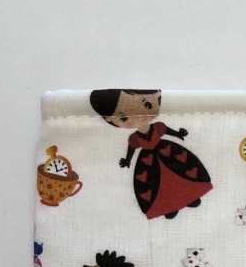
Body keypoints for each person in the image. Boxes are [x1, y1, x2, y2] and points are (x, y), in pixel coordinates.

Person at [89, 88, 213, 219]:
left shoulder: (157, 127)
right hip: (149, 161)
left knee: (180, 173)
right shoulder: (135, 138)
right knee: (157, 183)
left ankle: (190, 197)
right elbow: (131, 148)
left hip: (168, 153)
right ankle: (168, 207)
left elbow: (167, 131)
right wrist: (127, 160)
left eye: (147, 105)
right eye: (123, 117)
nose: (139, 116)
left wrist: (178, 134)